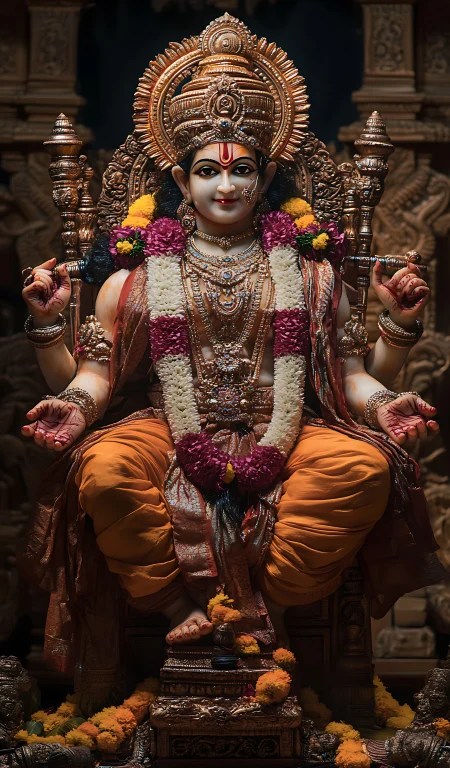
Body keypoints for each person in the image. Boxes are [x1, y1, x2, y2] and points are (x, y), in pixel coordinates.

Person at [20, 14, 444, 712]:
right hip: (166, 426)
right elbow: (95, 377)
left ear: (267, 173)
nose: (226, 185)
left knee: (363, 468)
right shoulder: (134, 278)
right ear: (180, 179)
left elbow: (349, 376)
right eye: (209, 171)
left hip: (290, 429)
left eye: (241, 169)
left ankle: (249, 604)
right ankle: (175, 603)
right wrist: (56, 362)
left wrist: (386, 382)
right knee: (101, 468)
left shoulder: (309, 273)